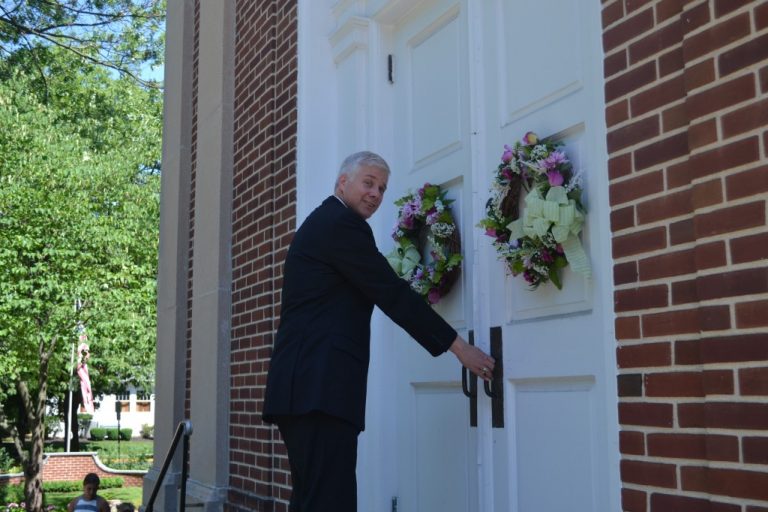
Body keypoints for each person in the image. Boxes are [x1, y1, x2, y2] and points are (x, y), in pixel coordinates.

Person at [262, 151, 495, 511]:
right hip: (319, 390)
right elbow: (392, 293)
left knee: (313, 501)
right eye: (368, 183)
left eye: (382, 188)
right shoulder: (340, 225)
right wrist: (459, 348)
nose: (376, 193)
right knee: (329, 502)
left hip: (303, 388)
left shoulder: (326, 222)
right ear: (343, 183)